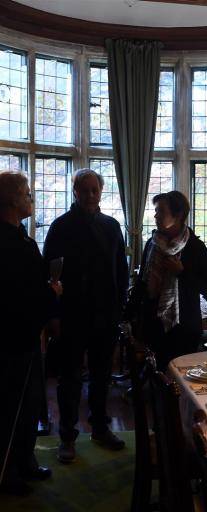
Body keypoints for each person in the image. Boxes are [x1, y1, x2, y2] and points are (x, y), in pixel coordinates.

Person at [43, 168, 128, 464]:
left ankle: (101, 428)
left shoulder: (112, 226)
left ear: (101, 191)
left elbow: (121, 273)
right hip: (71, 316)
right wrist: (53, 316)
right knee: (69, 379)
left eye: (95, 189)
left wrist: (120, 311)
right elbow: (49, 277)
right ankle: (67, 436)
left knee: (102, 377)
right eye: (85, 190)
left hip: (105, 316)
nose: (91, 195)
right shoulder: (60, 227)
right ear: (75, 192)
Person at [0, 171, 61, 495]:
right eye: (26, 193)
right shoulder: (6, 242)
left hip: (27, 338)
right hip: (11, 340)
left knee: (29, 405)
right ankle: (7, 474)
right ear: (11, 199)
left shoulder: (22, 237)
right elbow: (16, 295)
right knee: (9, 409)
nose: (31, 199)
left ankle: (25, 462)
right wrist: (51, 294)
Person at [127, 191, 207, 370]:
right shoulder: (151, 244)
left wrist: (182, 272)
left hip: (184, 328)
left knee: (181, 383)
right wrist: (128, 316)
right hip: (153, 325)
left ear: (178, 215)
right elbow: (141, 284)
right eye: (156, 211)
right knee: (158, 379)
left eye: (160, 211)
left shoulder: (195, 248)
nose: (155, 216)